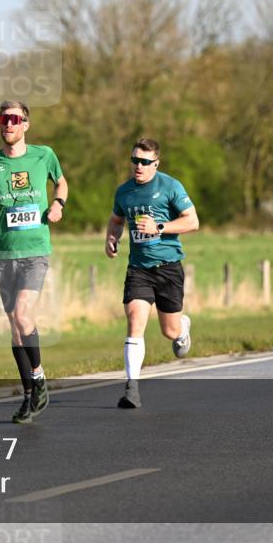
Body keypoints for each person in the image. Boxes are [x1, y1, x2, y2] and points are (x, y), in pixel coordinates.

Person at [0, 100, 68, 423]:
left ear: (26, 124)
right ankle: (28, 397)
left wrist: (58, 204)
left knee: (24, 315)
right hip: (3, 252)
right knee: (14, 327)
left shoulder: (44, 155)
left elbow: (61, 182)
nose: (8, 124)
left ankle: (38, 378)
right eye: (3, 118)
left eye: (14, 119)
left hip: (35, 250)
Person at [104, 138, 199, 408]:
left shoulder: (170, 186)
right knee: (135, 321)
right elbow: (116, 220)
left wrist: (158, 227)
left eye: (145, 162)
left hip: (168, 267)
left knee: (170, 331)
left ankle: (182, 328)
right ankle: (132, 388)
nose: (139, 166)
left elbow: (193, 221)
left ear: (156, 163)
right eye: (135, 160)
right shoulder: (124, 192)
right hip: (138, 269)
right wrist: (111, 238)